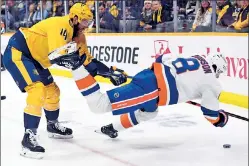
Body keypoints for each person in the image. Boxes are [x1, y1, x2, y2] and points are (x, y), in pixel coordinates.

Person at [3, 2, 127, 159]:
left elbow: (87, 62)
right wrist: (76, 60)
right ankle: (28, 138)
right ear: (74, 18)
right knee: (37, 90)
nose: (86, 26)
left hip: (36, 60)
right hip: (19, 52)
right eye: (84, 21)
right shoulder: (61, 24)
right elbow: (58, 56)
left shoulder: (79, 36)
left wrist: (109, 73)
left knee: (53, 92)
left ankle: (52, 125)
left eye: (89, 22)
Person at [52, 51, 229, 139]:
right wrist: (221, 118)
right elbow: (210, 113)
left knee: (150, 112)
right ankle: (76, 66)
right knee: (98, 105)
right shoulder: (212, 82)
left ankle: (113, 128)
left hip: (149, 78)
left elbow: (162, 57)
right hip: (153, 90)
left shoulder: (197, 58)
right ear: (218, 69)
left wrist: (178, 88)